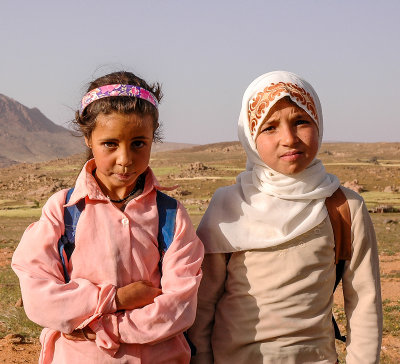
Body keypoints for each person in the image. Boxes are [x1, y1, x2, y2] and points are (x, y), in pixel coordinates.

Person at [187, 71, 382, 364]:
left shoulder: (344, 206)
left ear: (319, 122)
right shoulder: (228, 206)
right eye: (270, 128)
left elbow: (364, 302)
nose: (289, 139)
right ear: (251, 137)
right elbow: (202, 308)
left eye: (301, 121)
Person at [12, 71, 204, 364]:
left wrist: (102, 326)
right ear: (89, 138)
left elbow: (179, 307)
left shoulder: (171, 216)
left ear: (153, 138)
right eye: (110, 144)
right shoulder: (63, 210)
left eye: (139, 143)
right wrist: (117, 299)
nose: (125, 158)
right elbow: (40, 299)